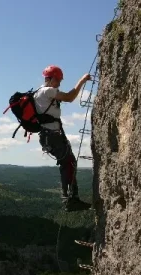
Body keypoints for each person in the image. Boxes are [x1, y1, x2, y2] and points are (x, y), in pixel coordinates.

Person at [34, 65, 92, 212]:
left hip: (48, 136)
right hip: (53, 136)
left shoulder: (37, 93)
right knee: (69, 163)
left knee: (68, 163)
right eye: (58, 80)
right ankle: (70, 200)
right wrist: (82, 80)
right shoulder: (48, 91)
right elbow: (70, 97)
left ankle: (70, 198)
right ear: (49, 78)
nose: (59, 83)